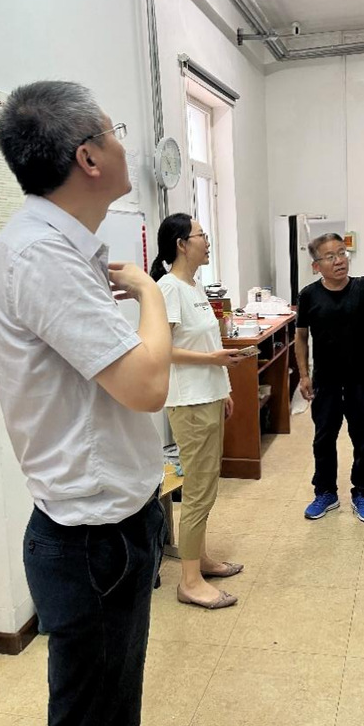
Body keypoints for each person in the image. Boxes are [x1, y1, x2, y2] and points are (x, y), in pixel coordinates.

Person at [0, 81, 172, 726]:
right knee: (92, 724)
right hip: (93, 542)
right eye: (114, 132)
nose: (124, 146)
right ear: (88, 157)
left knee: (110, 712)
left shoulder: (58, 247)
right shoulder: (39, 253)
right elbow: (147, 385)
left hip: (110, 527)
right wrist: (152, 293)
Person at [150, 213, 247, 610]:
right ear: (181, 244)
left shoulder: (194, 286)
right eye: (201, 235)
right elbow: (163, 349)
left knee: (207, 485)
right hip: (189, 402)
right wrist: (213, 362)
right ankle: (189, 582)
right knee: (198, 490)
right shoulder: (168, 288)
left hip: (208, 395)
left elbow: (207, 343)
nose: (207, 241)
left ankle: (200, 559)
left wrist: (223, 389)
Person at [295, 233, 364, 523]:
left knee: (363, 439)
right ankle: (325, 493)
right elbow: (301, 336)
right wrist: (304, 375)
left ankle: (362, 493)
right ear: (316, 266)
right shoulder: (308, 295)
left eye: (341, 253)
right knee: (323, 439)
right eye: (330, 256)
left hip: (360, 380)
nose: (339, 261)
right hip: (325, 381)